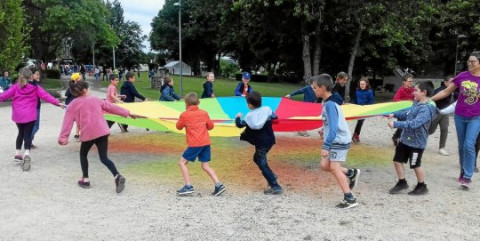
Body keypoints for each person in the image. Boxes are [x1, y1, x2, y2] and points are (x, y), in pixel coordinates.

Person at [58, 81, 140, 193]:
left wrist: (63, 137)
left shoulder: (73, 104)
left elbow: (67, 121)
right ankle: (117, 176)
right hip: (102, 131)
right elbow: (112, 107)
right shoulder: (96, 99)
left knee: (83, 155)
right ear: (85, 90)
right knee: (104, 158)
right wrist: (128, 113)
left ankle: (85, 179)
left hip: (88, 134)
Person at [432, 51, 480, 189]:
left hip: (476, 117)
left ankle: (467, 176)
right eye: (468, 61)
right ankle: (463, 170)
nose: (469, 63)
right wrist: (429, 99)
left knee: (469, 145)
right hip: (460, 116)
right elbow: (446, 91)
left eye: (473, 61)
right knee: (461, 145)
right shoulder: (462, 76)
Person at [0, 67, 64, 171]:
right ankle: (26, 154)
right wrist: (57, 103)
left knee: (20, 133)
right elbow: (46, 96)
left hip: (18, 115)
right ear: (31, 76)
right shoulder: (35, 87)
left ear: (20, 75)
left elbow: (4, 96)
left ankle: (17, 154)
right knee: (28, 135)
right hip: (30, 115)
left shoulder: (15, 87)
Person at [312, 74, 360, 209]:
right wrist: (323, 130)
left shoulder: (330, 105)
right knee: (324, 165)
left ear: (322, 88)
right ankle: (351, 173)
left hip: (338, 140)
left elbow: (334, 127)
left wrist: (326, 146)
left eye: (315, 88)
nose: (313, 90)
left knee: (333, 167)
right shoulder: (326, 102)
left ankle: (349, 198)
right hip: (333, 139)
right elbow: (330, 123)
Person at [387, 81, 436, 195]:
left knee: (415, 164)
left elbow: (414, 123)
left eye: (416, 90)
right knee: (397, 161)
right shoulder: (416, 103)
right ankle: (402, 182)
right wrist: (394, 114)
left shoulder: (426, 109)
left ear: (424, 92)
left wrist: (396, 124)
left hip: (417, 143)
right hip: (405, 139)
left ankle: (421, 185)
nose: (413, 92)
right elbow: (408, 114)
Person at [175, 92, 226, 196]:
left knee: (182, 162)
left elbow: (178, 127)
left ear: (186, 103)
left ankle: (188, 186)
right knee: (205, 165)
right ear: (198, 102)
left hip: (195, 143)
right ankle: (218, 185)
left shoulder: (184, 115)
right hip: (205, 142)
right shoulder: (204, 113)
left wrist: (184, 120)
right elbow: (211, 126)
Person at [235, 91, 283, 195]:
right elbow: (275, 117)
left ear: (250, 105)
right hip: (269, 140)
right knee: (256, 158)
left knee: (262, 164)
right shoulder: (267, 109)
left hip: (261, 144)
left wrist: (237, 117)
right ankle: (271, 176)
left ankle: (275, 186)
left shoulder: (249, 116)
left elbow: (239, 125)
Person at [440, 101, 480, 173]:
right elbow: (458, 101)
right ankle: (464, 167)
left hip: (477, 118)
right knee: (464, 144)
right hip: (465, 115)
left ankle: (473, 164)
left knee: (475, 143)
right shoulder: (465, 90)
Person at [428, 76, 454, 156]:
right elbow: (431, 101)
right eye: (451, 82)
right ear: (446, 82)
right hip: (436, 113)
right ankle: (416, 139)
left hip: (445, 113)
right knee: (430, 130)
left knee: (444, 129)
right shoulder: (439, 90)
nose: (453, 84)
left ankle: (441, 148)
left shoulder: (452, 90)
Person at [391, 73, 415, 145]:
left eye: (412, 81)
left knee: (408, 125)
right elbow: (395, 99)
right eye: (409, 81)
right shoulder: (401, 90)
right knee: (402, 125)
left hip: (410, 111)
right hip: (401, 112)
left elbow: (416, 98)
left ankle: (399, 138)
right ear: (404, 82)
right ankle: (396, 137)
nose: (411, 83)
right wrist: (406, 102)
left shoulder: (413, 90)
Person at [352, 77, 375, 142]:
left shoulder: (369, 91)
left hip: (365, 109)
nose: (362, 85)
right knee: (359, 121)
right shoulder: (357, 90)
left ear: (366, 84)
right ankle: (355, 135)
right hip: (358, 108)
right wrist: (354, 106)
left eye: (363, 84)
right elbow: (355, 100)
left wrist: (366, 107)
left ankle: (356, 135)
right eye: (361, 84)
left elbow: (371, 101)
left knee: (360, 121)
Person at [65, 73, 82, 139]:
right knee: (79, 120)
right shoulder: (74, 87)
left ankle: (77, 134)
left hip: (73, 106)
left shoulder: (76, 86)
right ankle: (78, 134)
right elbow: (66, 94)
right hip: (74, 106)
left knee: (79, 120)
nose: (81, 78)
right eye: (80, 77)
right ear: (76, 79)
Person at [30, 67, 42, 148]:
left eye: (39, 74)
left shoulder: (34, 84)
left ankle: (29, 142)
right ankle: (27, 139)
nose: (38, 76)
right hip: (34, 108)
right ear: (31, 75)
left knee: (32, 126)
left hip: (34, 107)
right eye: (37, 74)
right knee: (36, 126)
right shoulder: (33, 85)